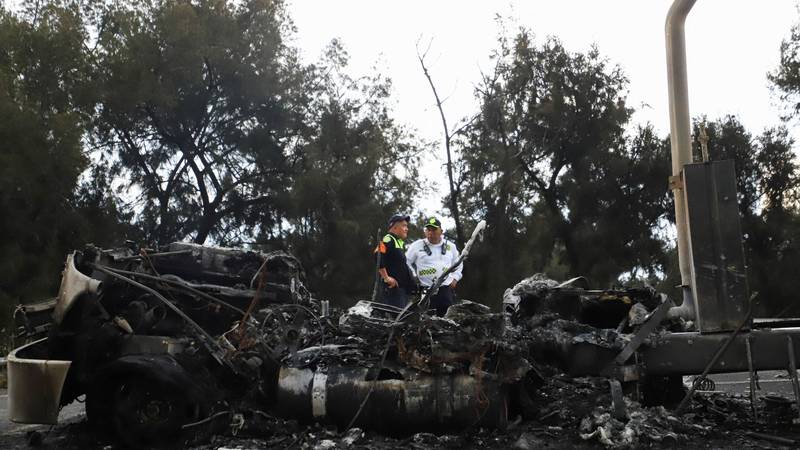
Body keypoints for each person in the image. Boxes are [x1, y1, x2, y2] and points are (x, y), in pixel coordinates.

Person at [406, 217, 462, 316]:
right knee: (426, 319)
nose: (431, 233)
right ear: (425, 232)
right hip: (425, 290)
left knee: (447, 318)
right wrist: (414, 277)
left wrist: (455, 278)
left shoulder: (450, 246)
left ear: (441, 231)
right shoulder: (417, 246)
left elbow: (458, 263)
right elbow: (406, 262)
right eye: (428, 230)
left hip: (445, 289)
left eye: (434, 230)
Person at [377, 214, 415, 309]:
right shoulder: (388, 238)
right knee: (395, 319)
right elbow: (378, 254)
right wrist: (386, 277)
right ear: (394, 227)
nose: (406, 229)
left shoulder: (397, 242)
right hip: (392, 291)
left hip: (401, 291)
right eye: (404, 225)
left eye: (407, 226)